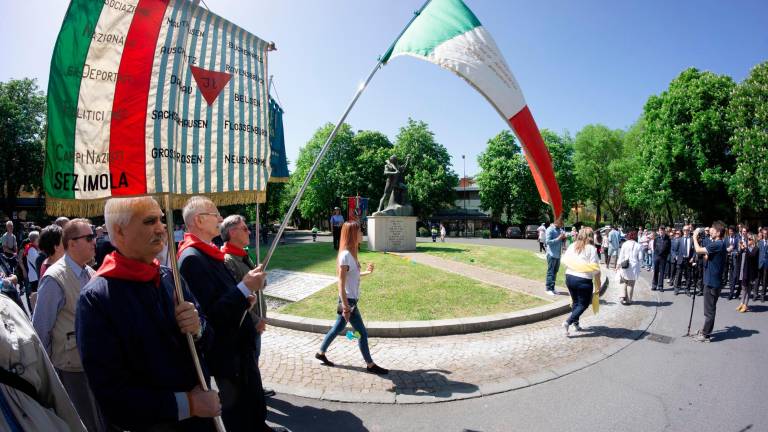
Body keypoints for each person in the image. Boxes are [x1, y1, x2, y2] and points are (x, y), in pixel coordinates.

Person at [77, 197, 220, 431]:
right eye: (149, 221)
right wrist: (189, 404)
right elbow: (111, 396)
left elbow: (209, 339)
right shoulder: (96, 299)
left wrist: (198, 327)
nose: (161, 228)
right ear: (119, 231)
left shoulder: (169, 277)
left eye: (161, 220)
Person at [177, 196, 274, 432]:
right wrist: (244, 288)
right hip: (227, 353)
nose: (220, 218)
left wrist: (244, 298)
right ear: (199, 220)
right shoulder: (192, 259)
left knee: (253, 401)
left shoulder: (208, 252)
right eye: (215, 214)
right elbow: (212, 315)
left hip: (239, 347)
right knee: (240, 412)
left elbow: (225, 295)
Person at [32, 218, 105, 431]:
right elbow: (40, 329)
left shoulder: (90, 272)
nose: (95, 241)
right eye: (89, 237)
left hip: (95, 364)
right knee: (84, 424)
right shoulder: (54, 278)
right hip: (72, 369)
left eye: (94, 236)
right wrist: (46, 376)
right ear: (72, 243)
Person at [0, 292, 87, 431]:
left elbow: (54, 390)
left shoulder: (8, 308)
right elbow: (42, 326)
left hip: (42, 421)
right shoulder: (52, 282)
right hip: (70, 360)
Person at [315, 221, 388, 374]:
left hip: (350, 301)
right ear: (352, 234)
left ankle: (321, 352)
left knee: (337, 328)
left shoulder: (351, 254)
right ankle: (370, 364)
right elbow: (340, 284)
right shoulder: (345, 256)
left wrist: (367, 272)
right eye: (359, 231)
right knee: (362, 334)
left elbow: (352, 276)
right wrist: (346, 307)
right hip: (348, 302)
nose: (362, 234)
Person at [220, 215, 275, 398]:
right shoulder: (228, 260)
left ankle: (255, 387)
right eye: (244, 228)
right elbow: (237, 297)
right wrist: (256, 320)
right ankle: (251, 393)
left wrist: (261, 279)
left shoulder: (242, 255)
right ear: (232, 232)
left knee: (254, 357)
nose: (249, 232)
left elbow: (258, 287)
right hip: (248, 322)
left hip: (256, 319)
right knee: (248, 360)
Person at [560, 227, 600, 336]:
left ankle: (575, 323)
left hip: (570, 277)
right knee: (583, 304)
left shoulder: (572, 245)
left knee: (575, 302)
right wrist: (598, 284)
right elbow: (595, 268)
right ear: (591, 236)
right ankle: (568, 322)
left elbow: (564, 260)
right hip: (583, 279)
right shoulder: (591, 249)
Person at [692, 222, 727, 343]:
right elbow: (707, 256)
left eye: (713, 230)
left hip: (712, 282)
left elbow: (698, 250)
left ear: (718, 232)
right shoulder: (719, 244)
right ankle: (705, 330)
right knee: (709, 309)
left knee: (709, 310)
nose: (710, 231)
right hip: (712, 280)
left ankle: (706, 335)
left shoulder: (718, 244)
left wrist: (694, 237)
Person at [617, 230, 642, 305]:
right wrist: (639, 266)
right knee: (631, 283)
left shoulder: (624, 244)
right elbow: (640, 258)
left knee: (623, 281)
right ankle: (629, 300)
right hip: (634, 267)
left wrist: (618, 264)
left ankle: (622, 296)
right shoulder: (638, 245)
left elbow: (621, 255)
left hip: (625, 265)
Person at [737, 233, 759, 312]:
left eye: (749, 239)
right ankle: (741, 303)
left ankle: (745, 305)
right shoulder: (748, 248)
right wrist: (742, 248)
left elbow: (752, 256)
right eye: (748, 239)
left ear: (753, 240)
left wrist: (746, 248)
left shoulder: (756, 248)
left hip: (751, 271)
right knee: (743, 287)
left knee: (748, 288)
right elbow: (741, 254)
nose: (748, 241)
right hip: (745, 270)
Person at [544, 217, 566, 296]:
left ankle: (552, 288)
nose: (562, 225)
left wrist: (563, 238)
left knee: (555, 272)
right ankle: (548, 289)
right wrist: (558, 238)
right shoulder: (550, 229)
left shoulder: (560, 230)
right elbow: (547, 242)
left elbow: (561, 240)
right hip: (551, 254)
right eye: (561, 224)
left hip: (558, 254)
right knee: (550, 272)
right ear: (556, 222)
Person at [674, 226, 695, 295]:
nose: (686, 231)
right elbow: (675, 250)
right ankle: (677, 288)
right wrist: (676, 256)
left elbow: (695, 250)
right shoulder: (679, 239)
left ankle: (687, 289)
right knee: (678, 275)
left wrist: (693, 257)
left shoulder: (692, 239)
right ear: (683, 231)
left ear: (689, 231)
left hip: (689, 260)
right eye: (684, 230)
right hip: (680, 259)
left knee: (688, 275)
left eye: (687, 230)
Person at [23, 230, 40, 312]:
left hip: (35, 276)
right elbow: (37, 262)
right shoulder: (31, 250)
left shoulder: (33, 248)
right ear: (35, 239)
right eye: (39, 238)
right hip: (34, 277)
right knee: (36, 296)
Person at [652, 226, 671, 291]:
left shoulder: (668, 238)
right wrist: (656, 255)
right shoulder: (656, 238)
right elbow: (654, 247)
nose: (661, 231)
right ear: (659, 231)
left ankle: (660, 286)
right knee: (656, 271)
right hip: (656, 257)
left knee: (662, 272)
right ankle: (654, 285)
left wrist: (666, 255)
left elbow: (669, 248)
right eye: (660, 230)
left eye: (662, 230)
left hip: (663, 257)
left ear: (664, 231)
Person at [758, 227, 768, 303]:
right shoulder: (760, 242)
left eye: (766, 233)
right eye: (764, 233)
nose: (765, 235)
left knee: (764, 280)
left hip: (766, 264)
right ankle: (755, 294)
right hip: (760, 263)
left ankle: (762, 295)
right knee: (758, 279)